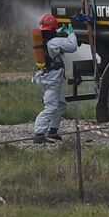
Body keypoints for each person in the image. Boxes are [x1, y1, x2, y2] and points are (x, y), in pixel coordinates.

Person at [33, 13, 79, 144]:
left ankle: (53, 131)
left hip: (45, 77)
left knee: (60, 104)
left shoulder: (43, 40)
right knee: (51, 107)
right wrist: (71, 33)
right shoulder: (54, 42)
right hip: (52, 80)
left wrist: (60, 32)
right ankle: (39, 133)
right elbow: (72, 46)